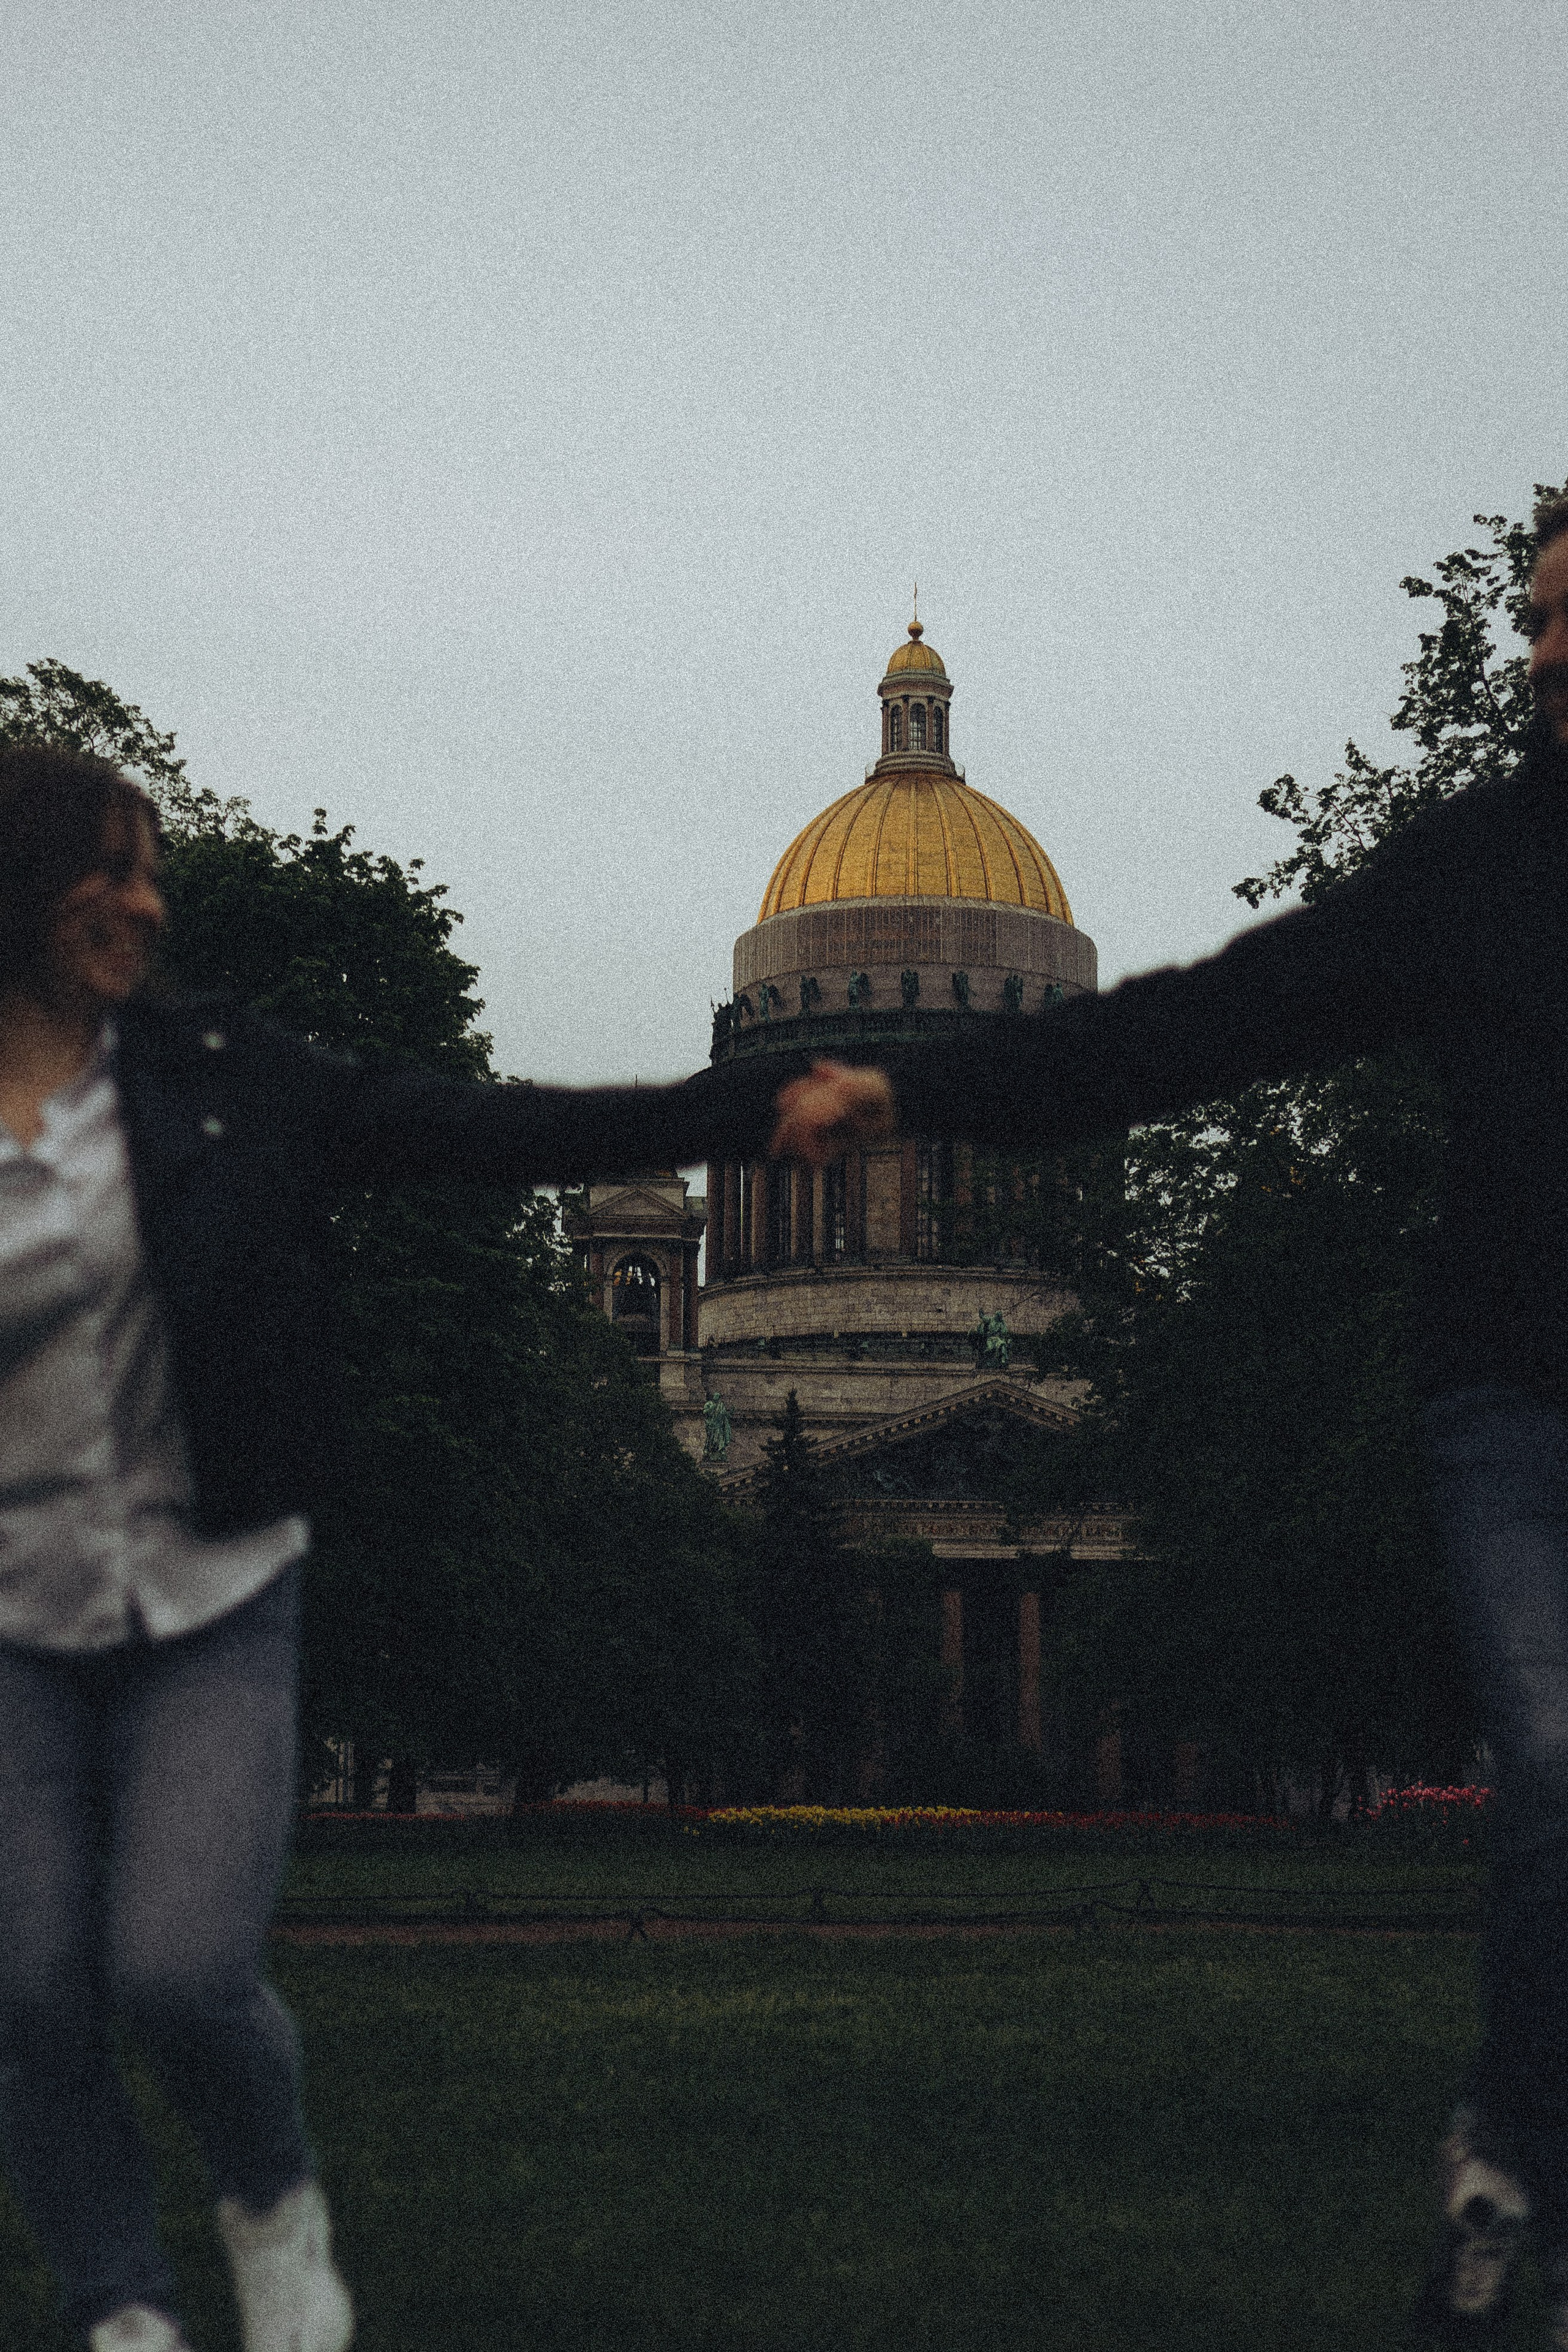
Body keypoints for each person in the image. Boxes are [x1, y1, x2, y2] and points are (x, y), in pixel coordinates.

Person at [782, 492, 1568, 2346]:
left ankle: (1516, 2152)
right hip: (1520, 1392)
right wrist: (917, 1086)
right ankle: (1512, 2152)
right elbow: (1216, 1020)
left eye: (1566, 616)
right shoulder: (1484, 862)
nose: (1539, 648)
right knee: (1559, 1764)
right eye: (1533, 617)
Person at [0, 736, 881, 2352]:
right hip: (10, 1614)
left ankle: (274, 2206)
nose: (147, 903)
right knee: (31, 1987)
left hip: (207, 1584)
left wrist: (742, 1105)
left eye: (151, 870)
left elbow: (481, 1128)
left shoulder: (224, 1073)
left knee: (182, 1973)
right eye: (111, 871)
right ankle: (119, 2308)